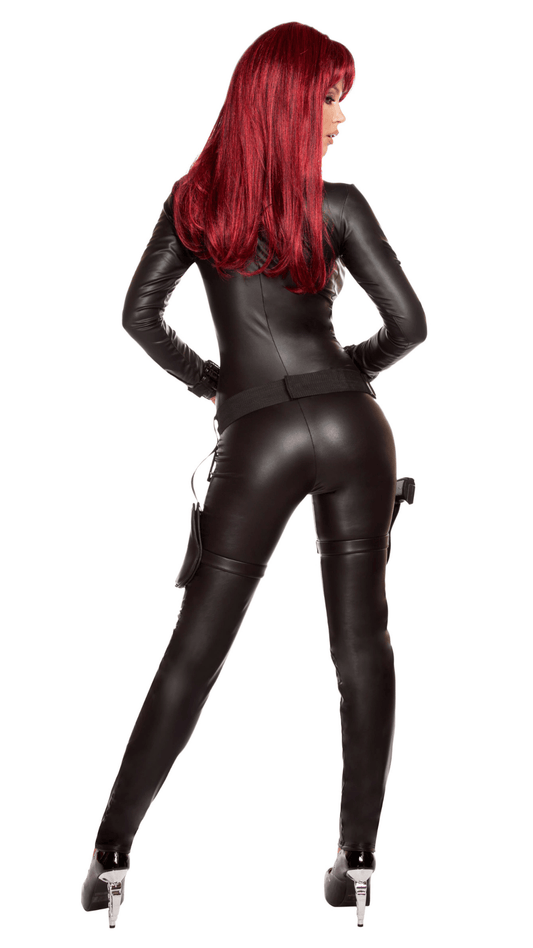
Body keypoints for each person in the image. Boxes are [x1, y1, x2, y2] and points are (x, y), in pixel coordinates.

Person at [81, 20, 427, 930]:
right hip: (356, 431)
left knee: (195, 650)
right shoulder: (338, 205)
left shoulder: (195, 205)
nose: (341, 118)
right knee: (362, 644)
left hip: (258, 433)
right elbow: (409, 326)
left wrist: (218, 385)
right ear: (287, 101)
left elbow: (139, 317)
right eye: (329, 97)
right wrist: (345, 375)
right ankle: (357, 861)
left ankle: (112, 855)